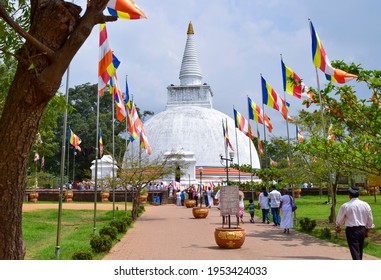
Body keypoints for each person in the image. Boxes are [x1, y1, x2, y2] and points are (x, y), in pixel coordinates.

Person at [335, 187, 374, 260]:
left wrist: (338, 227)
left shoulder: (346, 206)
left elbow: (340, 219)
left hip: (351, 231)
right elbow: (370, 218)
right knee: (360, 249)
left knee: (355, 251)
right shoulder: (365, 205)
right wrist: (368, 230)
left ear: (349, 195)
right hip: (362, 229)